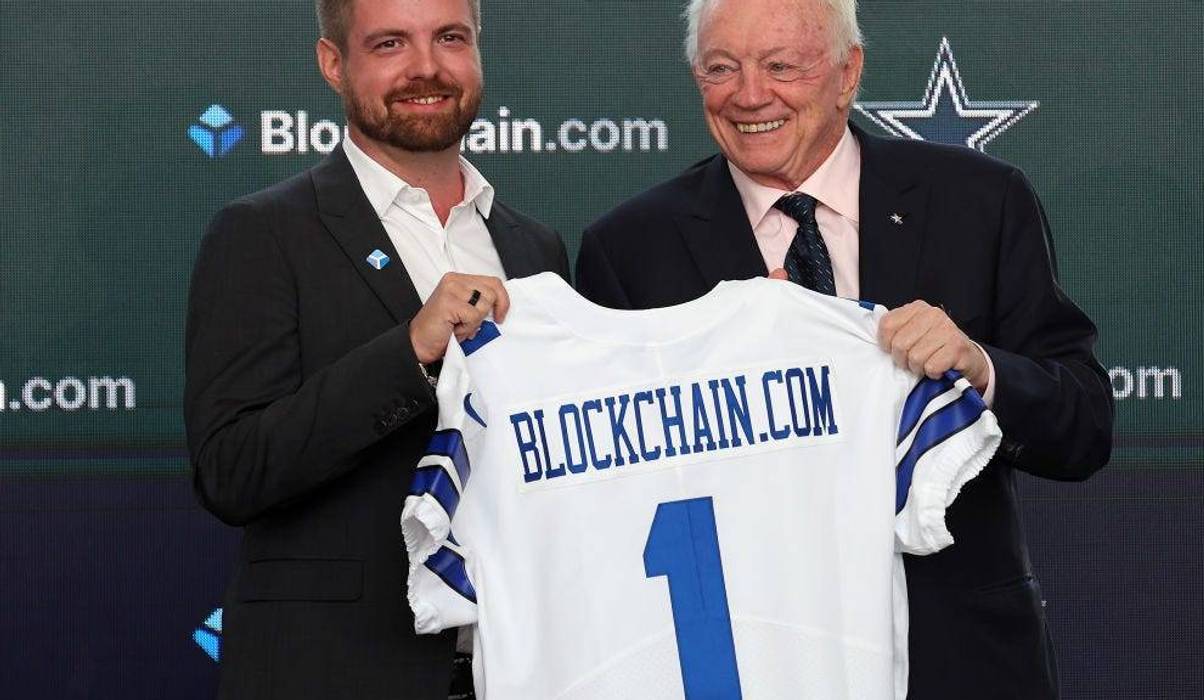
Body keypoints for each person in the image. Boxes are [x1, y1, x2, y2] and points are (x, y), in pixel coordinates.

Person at [575, 0, 1112, 697]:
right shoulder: (629, 250)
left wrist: (975, 369)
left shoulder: (978, 201)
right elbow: (607, 496)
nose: (749, 95)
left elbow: (1083, 429)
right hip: (745, 664)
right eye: (720, 68)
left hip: (956, 659)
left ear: (846, 72)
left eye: (781, 66)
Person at [184, 0, 566, 697]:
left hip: (519, 667)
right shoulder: (262, 234)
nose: (426, 67)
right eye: (390, 43)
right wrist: (410, 352)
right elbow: (231, 470)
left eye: (450, 38)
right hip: (341, 672)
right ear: (334, 64)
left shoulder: (533, 247)